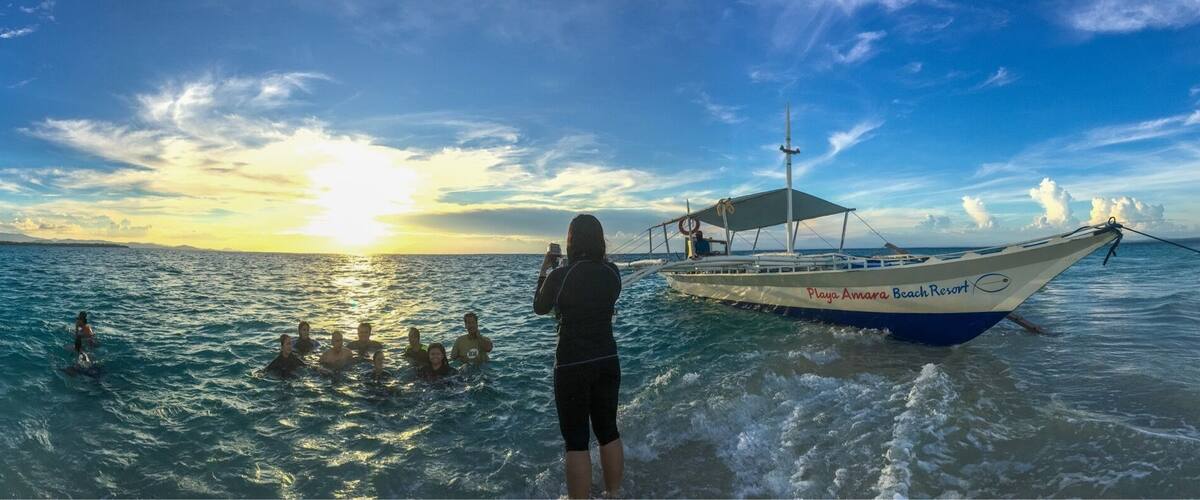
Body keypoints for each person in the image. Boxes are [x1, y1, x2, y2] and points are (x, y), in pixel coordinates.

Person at [533, 214, 624, 498]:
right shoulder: (613, 272)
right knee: (608, 431)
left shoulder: (560, 275)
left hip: (572, 363)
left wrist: (545, 268)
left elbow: (540, 307)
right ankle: (614, 493)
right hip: (607, 358)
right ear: (600, 240)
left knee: (576, 441)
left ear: (571, 241)